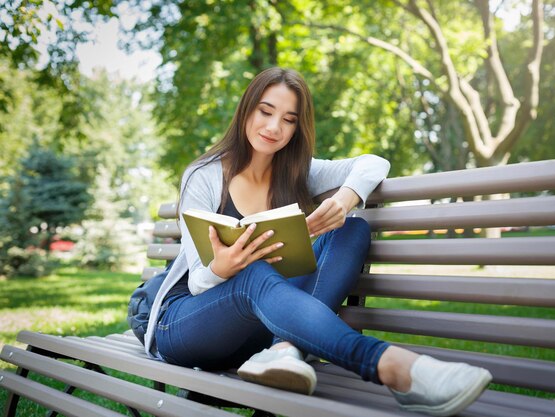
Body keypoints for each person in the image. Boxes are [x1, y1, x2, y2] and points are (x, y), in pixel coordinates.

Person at [143, 67, 492, 417]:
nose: (273, 127)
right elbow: (199, 280)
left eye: (288, 119)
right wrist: (224, 266)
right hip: (184, 324)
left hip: (259, 331)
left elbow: (373, 163)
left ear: (298, 127)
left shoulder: (296, 172)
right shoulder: (203, 176)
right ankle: (393, 366)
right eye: (265, 111)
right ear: (246, 110)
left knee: (351, 229)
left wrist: (343, 201)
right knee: (252, 276)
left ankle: (285, 350)